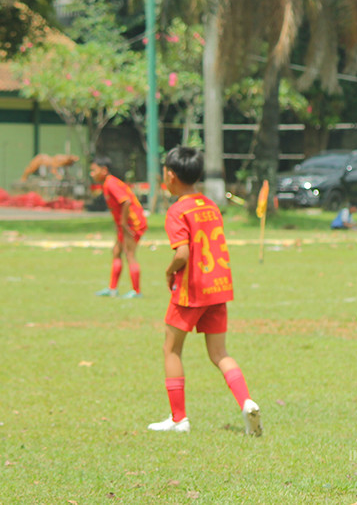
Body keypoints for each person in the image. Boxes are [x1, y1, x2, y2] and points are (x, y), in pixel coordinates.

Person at [147, 146, 262, 435]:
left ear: (170, 176)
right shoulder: (210, 205)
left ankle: (178, 418)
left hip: (191, 290)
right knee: (220, 353)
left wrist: (169, 270)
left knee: (171, 349)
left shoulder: (176, 211)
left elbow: (183, 254)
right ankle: (246, 401)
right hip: (218, 289)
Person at [90, 156, 147, 298]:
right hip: (124, 223)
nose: (92, 174)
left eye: (94, 170)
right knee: (116, 251)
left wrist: (122, 223)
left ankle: (136, 291)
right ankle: (112, 289)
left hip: (132, 223)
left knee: (130, 254)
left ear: (104, 170)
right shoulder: (107, 184)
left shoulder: (111, 184)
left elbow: (126, 202)